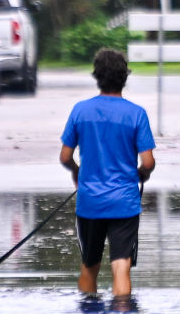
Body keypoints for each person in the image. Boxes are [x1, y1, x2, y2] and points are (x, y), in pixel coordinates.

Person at [59, 49, 156, 297]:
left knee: (89, 266)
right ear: (124, 77)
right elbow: (148, 162)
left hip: (90, 201)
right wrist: (141, 174)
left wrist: (77, 172)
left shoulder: (80, 111)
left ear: (97, 77)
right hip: (124, 201)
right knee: (121, 266)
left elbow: (65, 157)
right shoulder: (136, 114)